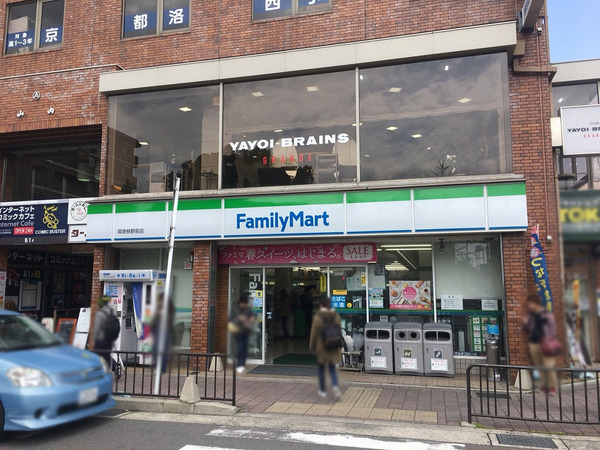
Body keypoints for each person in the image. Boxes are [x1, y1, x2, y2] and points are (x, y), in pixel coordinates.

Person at [523, 293, 559, 395]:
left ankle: (552, 387)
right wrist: (526, 323)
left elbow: (552, 328)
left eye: (530, 304)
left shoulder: (546, 314)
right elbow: (528, 328)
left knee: (548, 365)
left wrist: (549, 339)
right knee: (539, 365)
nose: (529, 306)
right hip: (534, 342)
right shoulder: (531, 315)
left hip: (546, 343)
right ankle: (544, 386)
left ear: (535, 303)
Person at [309, 295, 342, 400]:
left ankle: (322, 391)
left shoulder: (318, 317)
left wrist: (311, 346)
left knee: (321, 369)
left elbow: (314, 334)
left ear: (321, 305)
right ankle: (335, 387)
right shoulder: (336, 316)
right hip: (334, 345)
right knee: (332, 369)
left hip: (322, 347)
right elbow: (339, 330)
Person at [229, 294, 255, 373]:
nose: (244, 305)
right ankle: (239, 364)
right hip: (238, 331)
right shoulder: (235, 308)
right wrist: (239, 319)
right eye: (243, 303)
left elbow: (251, 318)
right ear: (240, 302)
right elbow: (231, 319)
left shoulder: (247, 309)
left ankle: (242, 364)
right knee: (240, 348)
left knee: (244, 348)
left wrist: (247, 319)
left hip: (246, 331)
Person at [93, 295, 116, 367]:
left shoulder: (99, 313)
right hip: (110, 339)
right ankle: (113, 366)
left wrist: (93, 339)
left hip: (101, 339)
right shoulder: (113, 311)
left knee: (98, 356)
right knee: (106, 356)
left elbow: (96, 328)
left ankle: (111, 367)